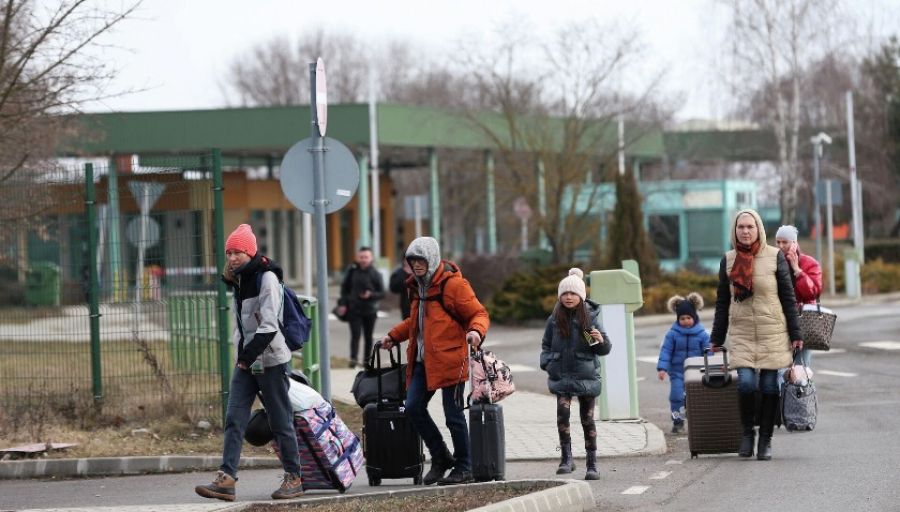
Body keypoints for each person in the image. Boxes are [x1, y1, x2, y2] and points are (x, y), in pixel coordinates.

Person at [194, 224, 304, 502]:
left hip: (271, 360)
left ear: (250, 252)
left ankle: (294, 477)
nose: (232, 258)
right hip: (247, 362)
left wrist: (246, 357)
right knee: (234, 418)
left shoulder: (266, 278)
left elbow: (268, 327)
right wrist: (243, 357)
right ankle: (226, 478)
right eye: (229, 252)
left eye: (238, 252)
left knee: (280, 421)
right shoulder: (240, 281)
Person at [380, 236, 490, 486]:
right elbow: (416, 322)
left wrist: (476, 332)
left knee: (453, 416)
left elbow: (478, 313)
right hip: (423, 361)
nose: (416, 265)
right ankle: (441, 457)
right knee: (413, 406)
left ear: (431, 259)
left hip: (452, 359)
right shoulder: (417, 287)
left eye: (420, 260)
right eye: (412, 260)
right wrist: (393, 336)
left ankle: (465, 466)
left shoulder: (454, 285)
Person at [710, 209, 803, 461]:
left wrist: (796, 333)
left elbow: (788, 297)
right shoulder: (728, 260)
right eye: (741, 227)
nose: (746, 231)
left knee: (770, 386)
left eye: (750, 226)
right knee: (747, 384)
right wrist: (716, 338)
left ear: (759, 229)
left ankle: (765, 439)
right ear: (735, 230)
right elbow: (722, 301)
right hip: (741, 332)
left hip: (772, 330)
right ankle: (747, 432)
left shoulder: (775, 257)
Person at [539, 268, 611, 481]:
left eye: (573, 294)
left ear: (581, 296)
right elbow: (546, 344)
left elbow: (602, 351)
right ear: (560, 296)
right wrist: (548, 362)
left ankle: (592, 463)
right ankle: (566, 459)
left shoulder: (588, 320)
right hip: (562, 376)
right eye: (565, 293)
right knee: (563, 416)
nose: (568, 297)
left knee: (587, 419)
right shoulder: (554, 319)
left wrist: (600, 340)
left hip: (586, 377)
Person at [656, 293, 710, 434]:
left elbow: (708, 352)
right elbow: (666, 351)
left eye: (688, 318)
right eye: (682, 318)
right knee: (676, 396)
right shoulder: (672, 334)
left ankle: (699, 422)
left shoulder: (702, 334)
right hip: (677, 372)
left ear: (694, 317)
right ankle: (677, 421)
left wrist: (711, 365)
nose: (685, 321)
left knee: (698, 397)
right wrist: (662, 368)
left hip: (697, 372)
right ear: (678, 318)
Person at [774, 225, 822, 368]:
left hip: (802, 323)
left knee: (801, 369)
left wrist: (797, 271)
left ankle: (802, 390)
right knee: (780, 369)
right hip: (779, 322)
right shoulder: (773, 263)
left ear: (794, 243)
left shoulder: (810, 263)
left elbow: (813, 293)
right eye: (778, 242)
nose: (781, 246)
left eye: (785, 242)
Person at [338, 247, 385, 368]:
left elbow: (382, 293)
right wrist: (343, 304)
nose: (363, 260)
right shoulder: (352, 271)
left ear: (371, 258)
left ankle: (367, 361)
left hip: (370, 310)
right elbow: (344, 289)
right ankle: (353, 360)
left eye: (366, 257)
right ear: (358, 258)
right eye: (361, 257)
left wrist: (371, 295)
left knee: (368, 336)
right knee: (355, 335)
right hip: (354, 309)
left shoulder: (375, 274)